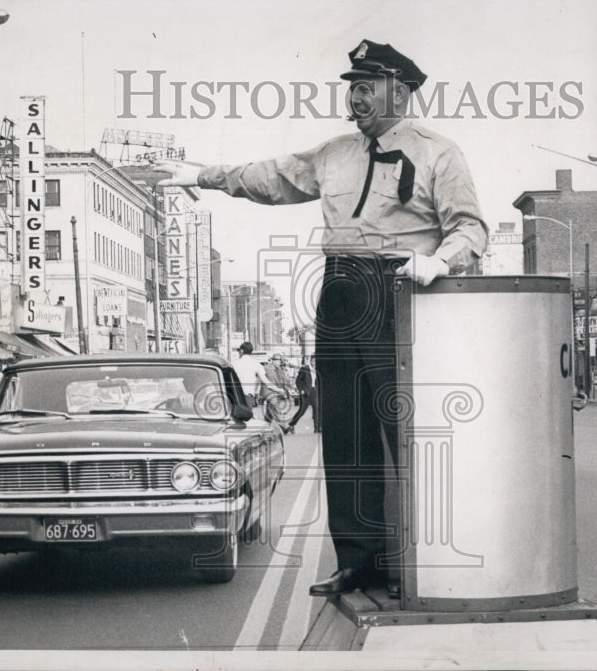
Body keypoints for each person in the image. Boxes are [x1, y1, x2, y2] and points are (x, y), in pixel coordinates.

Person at [155, 39, 488, 598]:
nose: (354, 98)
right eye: (351, 87)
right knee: (346, 432)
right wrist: (202, 176)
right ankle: (360, 560)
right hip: (340, 290)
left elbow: (471, 227)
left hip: (401, 291)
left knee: (407, 432)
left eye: (366, 87)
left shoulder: (439, 153)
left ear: (399, 92)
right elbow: (273, 178)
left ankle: (432, 559)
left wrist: (438, 261)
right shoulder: (334, 152)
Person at [232, 342, 283, 419]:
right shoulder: (256, 364)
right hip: (248, 398)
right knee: (246, 421)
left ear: (242, 351)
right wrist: (278, 390)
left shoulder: (234, 364)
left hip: (235, 396)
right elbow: (266, 382)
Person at [290, 354, 320, 433]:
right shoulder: (305, 369)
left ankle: (317, 429)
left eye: (316, 362)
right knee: (301, 412)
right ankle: (291, 425)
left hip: (315, 392)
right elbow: (298, 381)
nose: (314, 363)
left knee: (317, 410)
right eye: (313, 361)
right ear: (310, 361)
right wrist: (301, 390)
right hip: (305, 393)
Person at [263, 353, 294, 428]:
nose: (279, 362)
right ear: (273, 361)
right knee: (276, 409)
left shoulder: (280, 369)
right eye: (278, 361)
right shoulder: (266, 368)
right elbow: (260, 380)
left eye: (280, 361)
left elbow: (284, 382)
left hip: (278, 392)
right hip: (269, 392)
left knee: (270, 412)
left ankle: (266, 426)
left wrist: (288, 391)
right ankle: (285, 427)